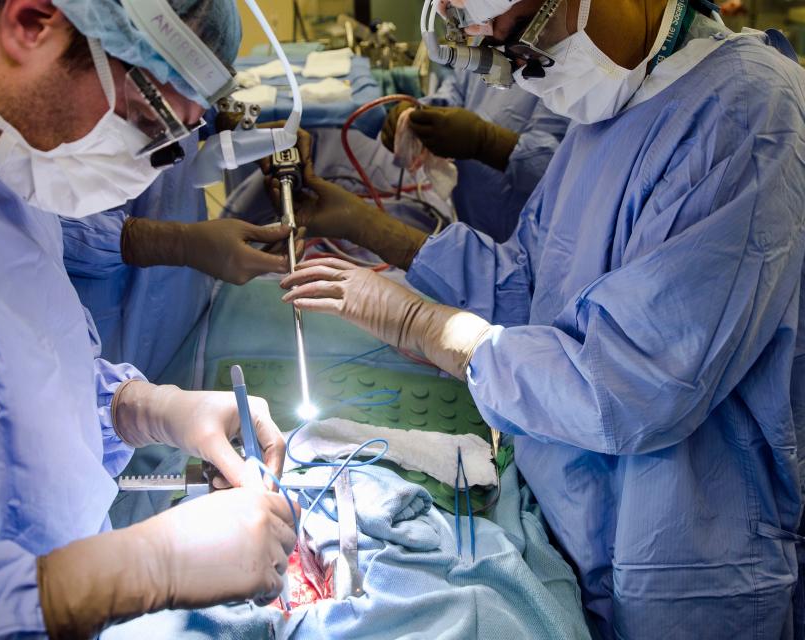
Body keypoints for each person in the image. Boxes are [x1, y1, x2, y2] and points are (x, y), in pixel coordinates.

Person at [276, 0, 805, 637]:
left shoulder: (748, 114)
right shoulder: (619, 101)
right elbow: (535, 281)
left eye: (524, 37)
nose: (527, 72)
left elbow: (634, 383)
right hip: (574, 523)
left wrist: (427, 327)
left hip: (686, 562)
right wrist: (372, 231)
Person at [0, 0, 299, 638]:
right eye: (149, 119)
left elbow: (11, 383)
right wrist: (141, 567)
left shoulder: (3, 161)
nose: (145, 165)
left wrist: (143, 407)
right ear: (33, 21)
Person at [381, 72, 569, 241]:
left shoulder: (565, 68)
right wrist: (421, 115)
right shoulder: (483, 42)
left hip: (534, 237)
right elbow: (456, 89)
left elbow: (564, 175)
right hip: (475, 221)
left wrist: (492, 143)